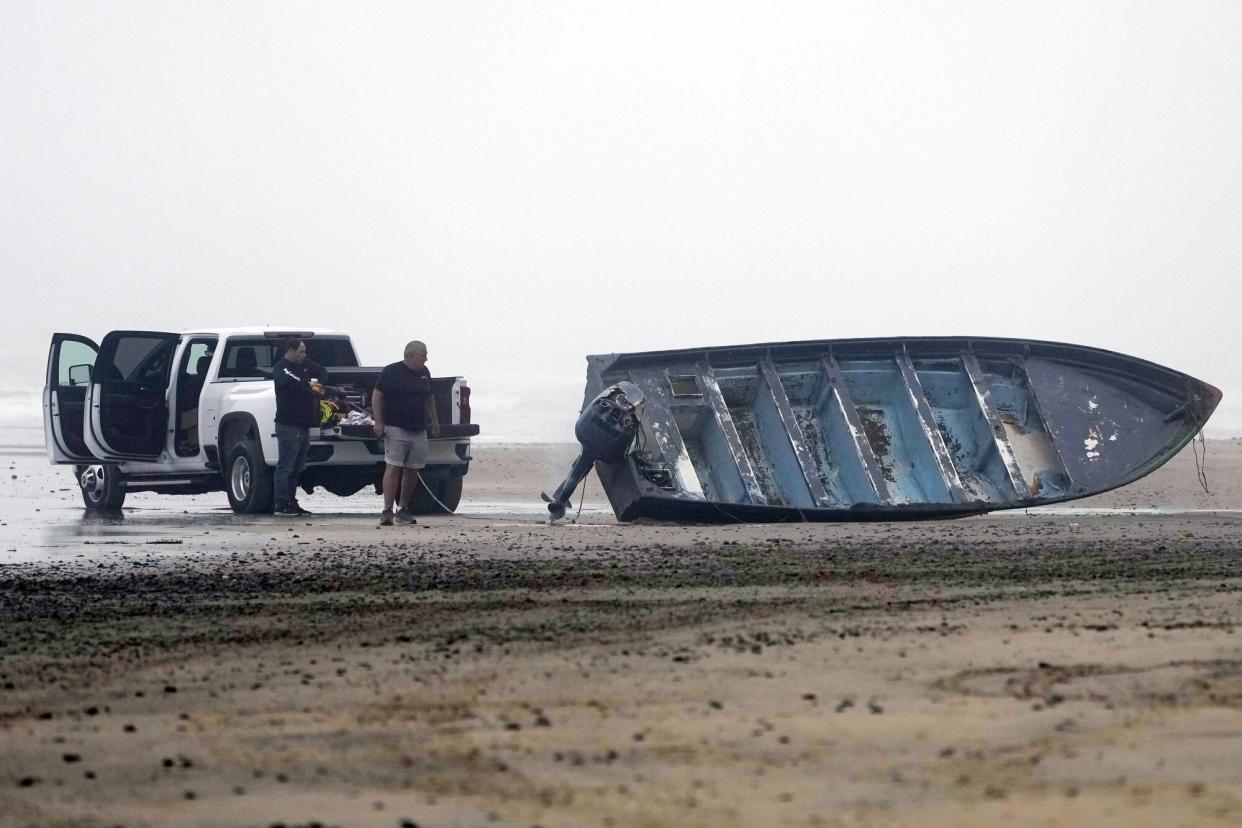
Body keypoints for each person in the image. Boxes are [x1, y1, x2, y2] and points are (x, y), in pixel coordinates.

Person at [371, 340, 440, 526]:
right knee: (393, 468)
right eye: (423, 354)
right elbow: (377, 395)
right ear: (410, 356)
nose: (426, 358)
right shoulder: (391, 371)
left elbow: (429, 398)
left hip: (419, 428)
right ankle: (387, 510)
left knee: (413, 470)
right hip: (395, 427)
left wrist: (434, 420)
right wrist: (378, 421)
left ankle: (403, 508)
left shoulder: (424, 373)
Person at [272, 337, 328, 516]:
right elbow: (291, 382)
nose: (305, 355)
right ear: (290, 351)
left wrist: (318, 385)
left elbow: (321, 371)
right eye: (301, 351)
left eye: (305, 351)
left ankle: (291, 502)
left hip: (304, 426)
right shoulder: (281, 368)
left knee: (297, 467)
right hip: (288, 425)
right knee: (286, 466)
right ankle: (281, 504)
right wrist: (311, 388)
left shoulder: (306, 365)